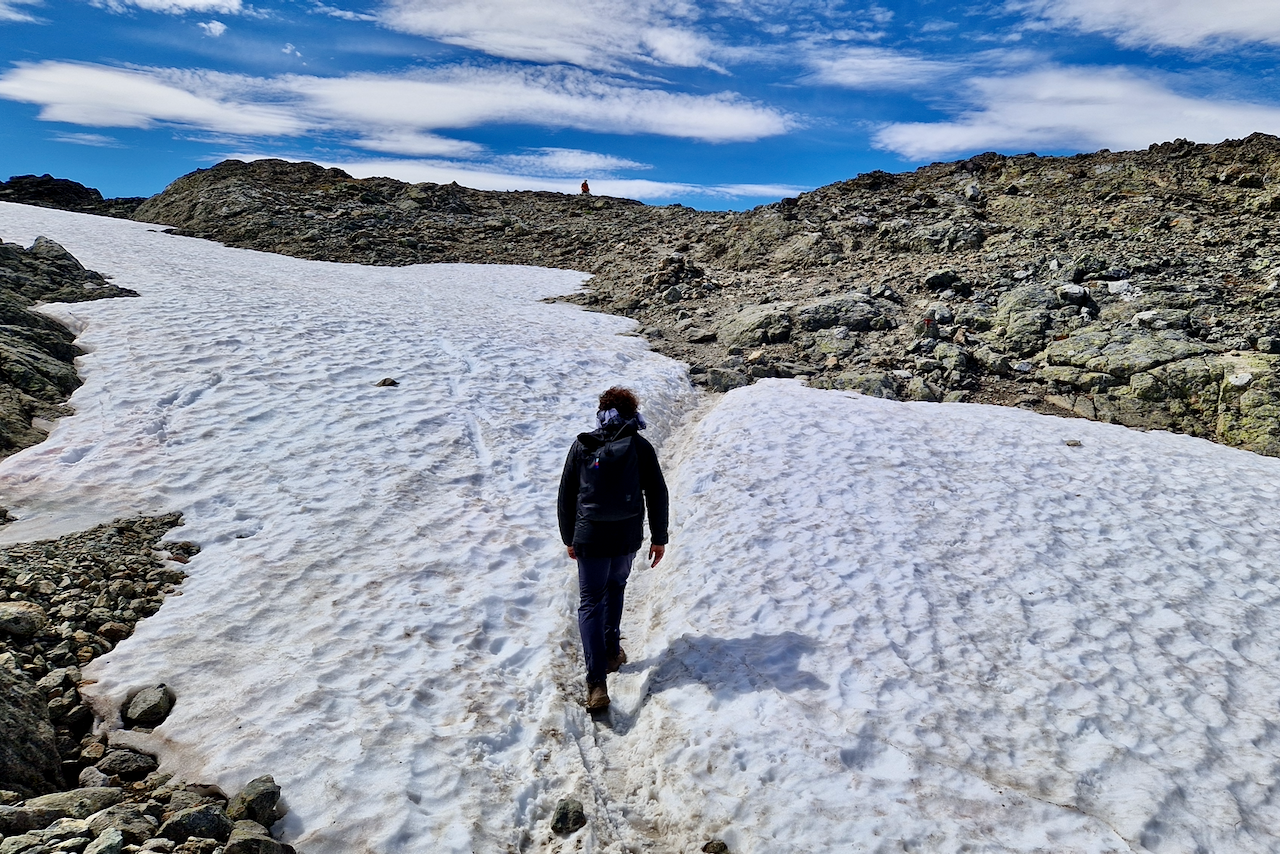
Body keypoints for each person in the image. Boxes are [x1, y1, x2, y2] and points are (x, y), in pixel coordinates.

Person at [557, 386, 668, 711]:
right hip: (625, 536)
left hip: (589, 536)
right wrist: (659, 536)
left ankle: (596, 683)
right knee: (616, 585)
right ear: (632, 413)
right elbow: (657, 493)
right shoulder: (639, 446)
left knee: (590, 600)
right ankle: (610, 652)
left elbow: (566, 495)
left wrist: (569, 537)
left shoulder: (583, 445)